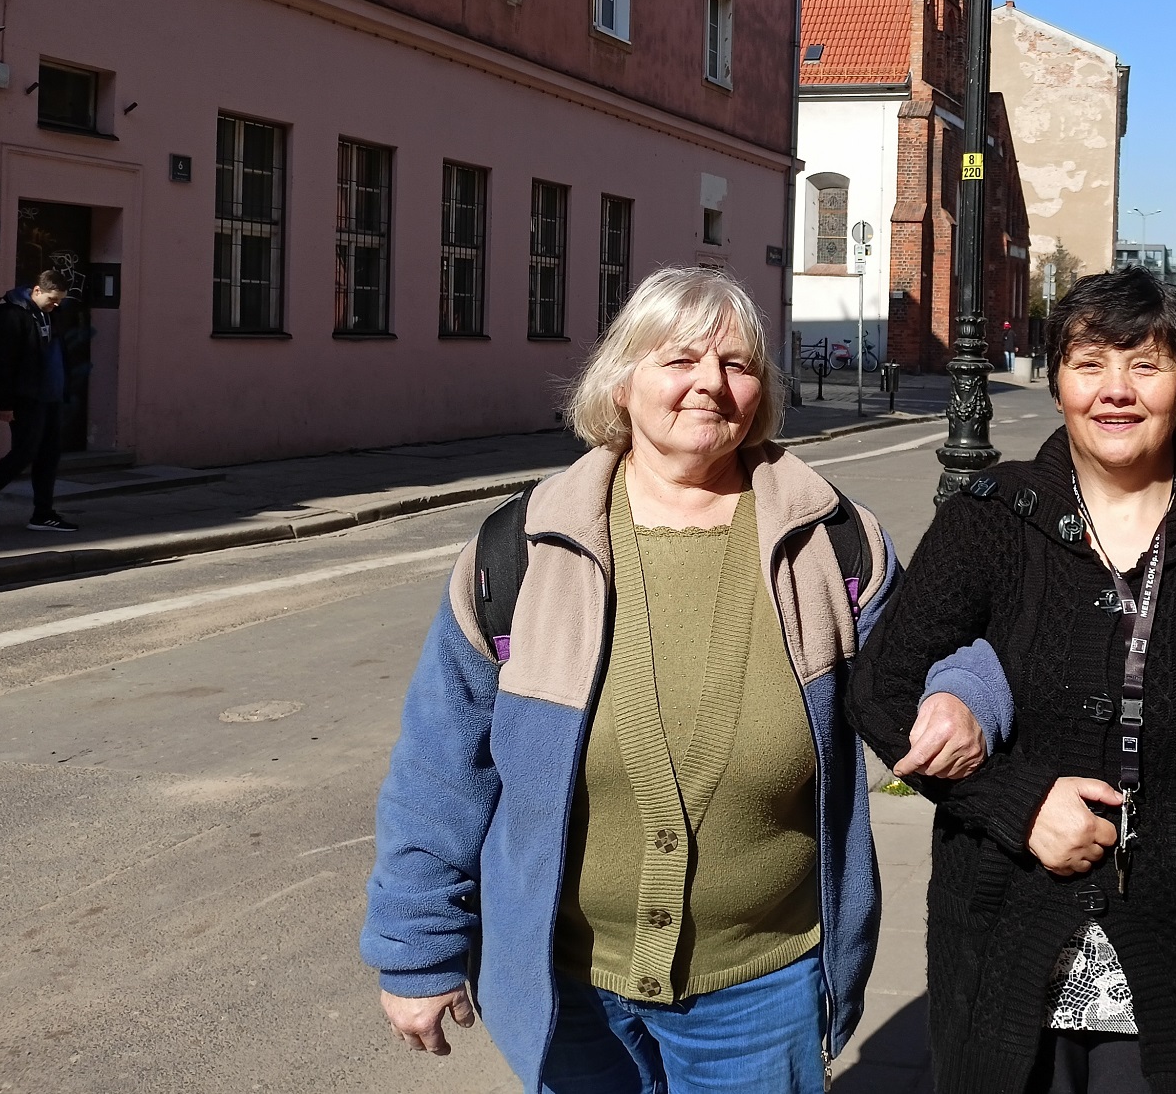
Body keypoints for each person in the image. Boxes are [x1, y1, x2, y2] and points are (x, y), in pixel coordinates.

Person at [361, 266, 990, 1093]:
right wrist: (416, 949)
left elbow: (941, 655)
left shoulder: (830, 541)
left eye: (737, 364)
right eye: (680, 360)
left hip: (762, 984)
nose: (710, 384)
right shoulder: (524, 548)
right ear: (622, 382)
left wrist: (968, 695)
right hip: (568, 986)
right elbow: (441, 767)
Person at [851, 267, 1176, 1094]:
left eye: (1146, 365)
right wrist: (1014, 804)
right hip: (1003, 928)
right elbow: (879, 690)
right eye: (1089, 365)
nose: (1116, 390)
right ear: (1057, 383)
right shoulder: (992, 518)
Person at [0, 271, 77, 534]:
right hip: (27, 397)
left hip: (51, 396)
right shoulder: (12, 316)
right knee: (24, 453)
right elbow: (2, 363)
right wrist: (4, 403)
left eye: (60, 301)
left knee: (49, 455)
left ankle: (43, 514)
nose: (56, 304)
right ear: (37, 291)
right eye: (52, 299)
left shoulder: (50, 313)